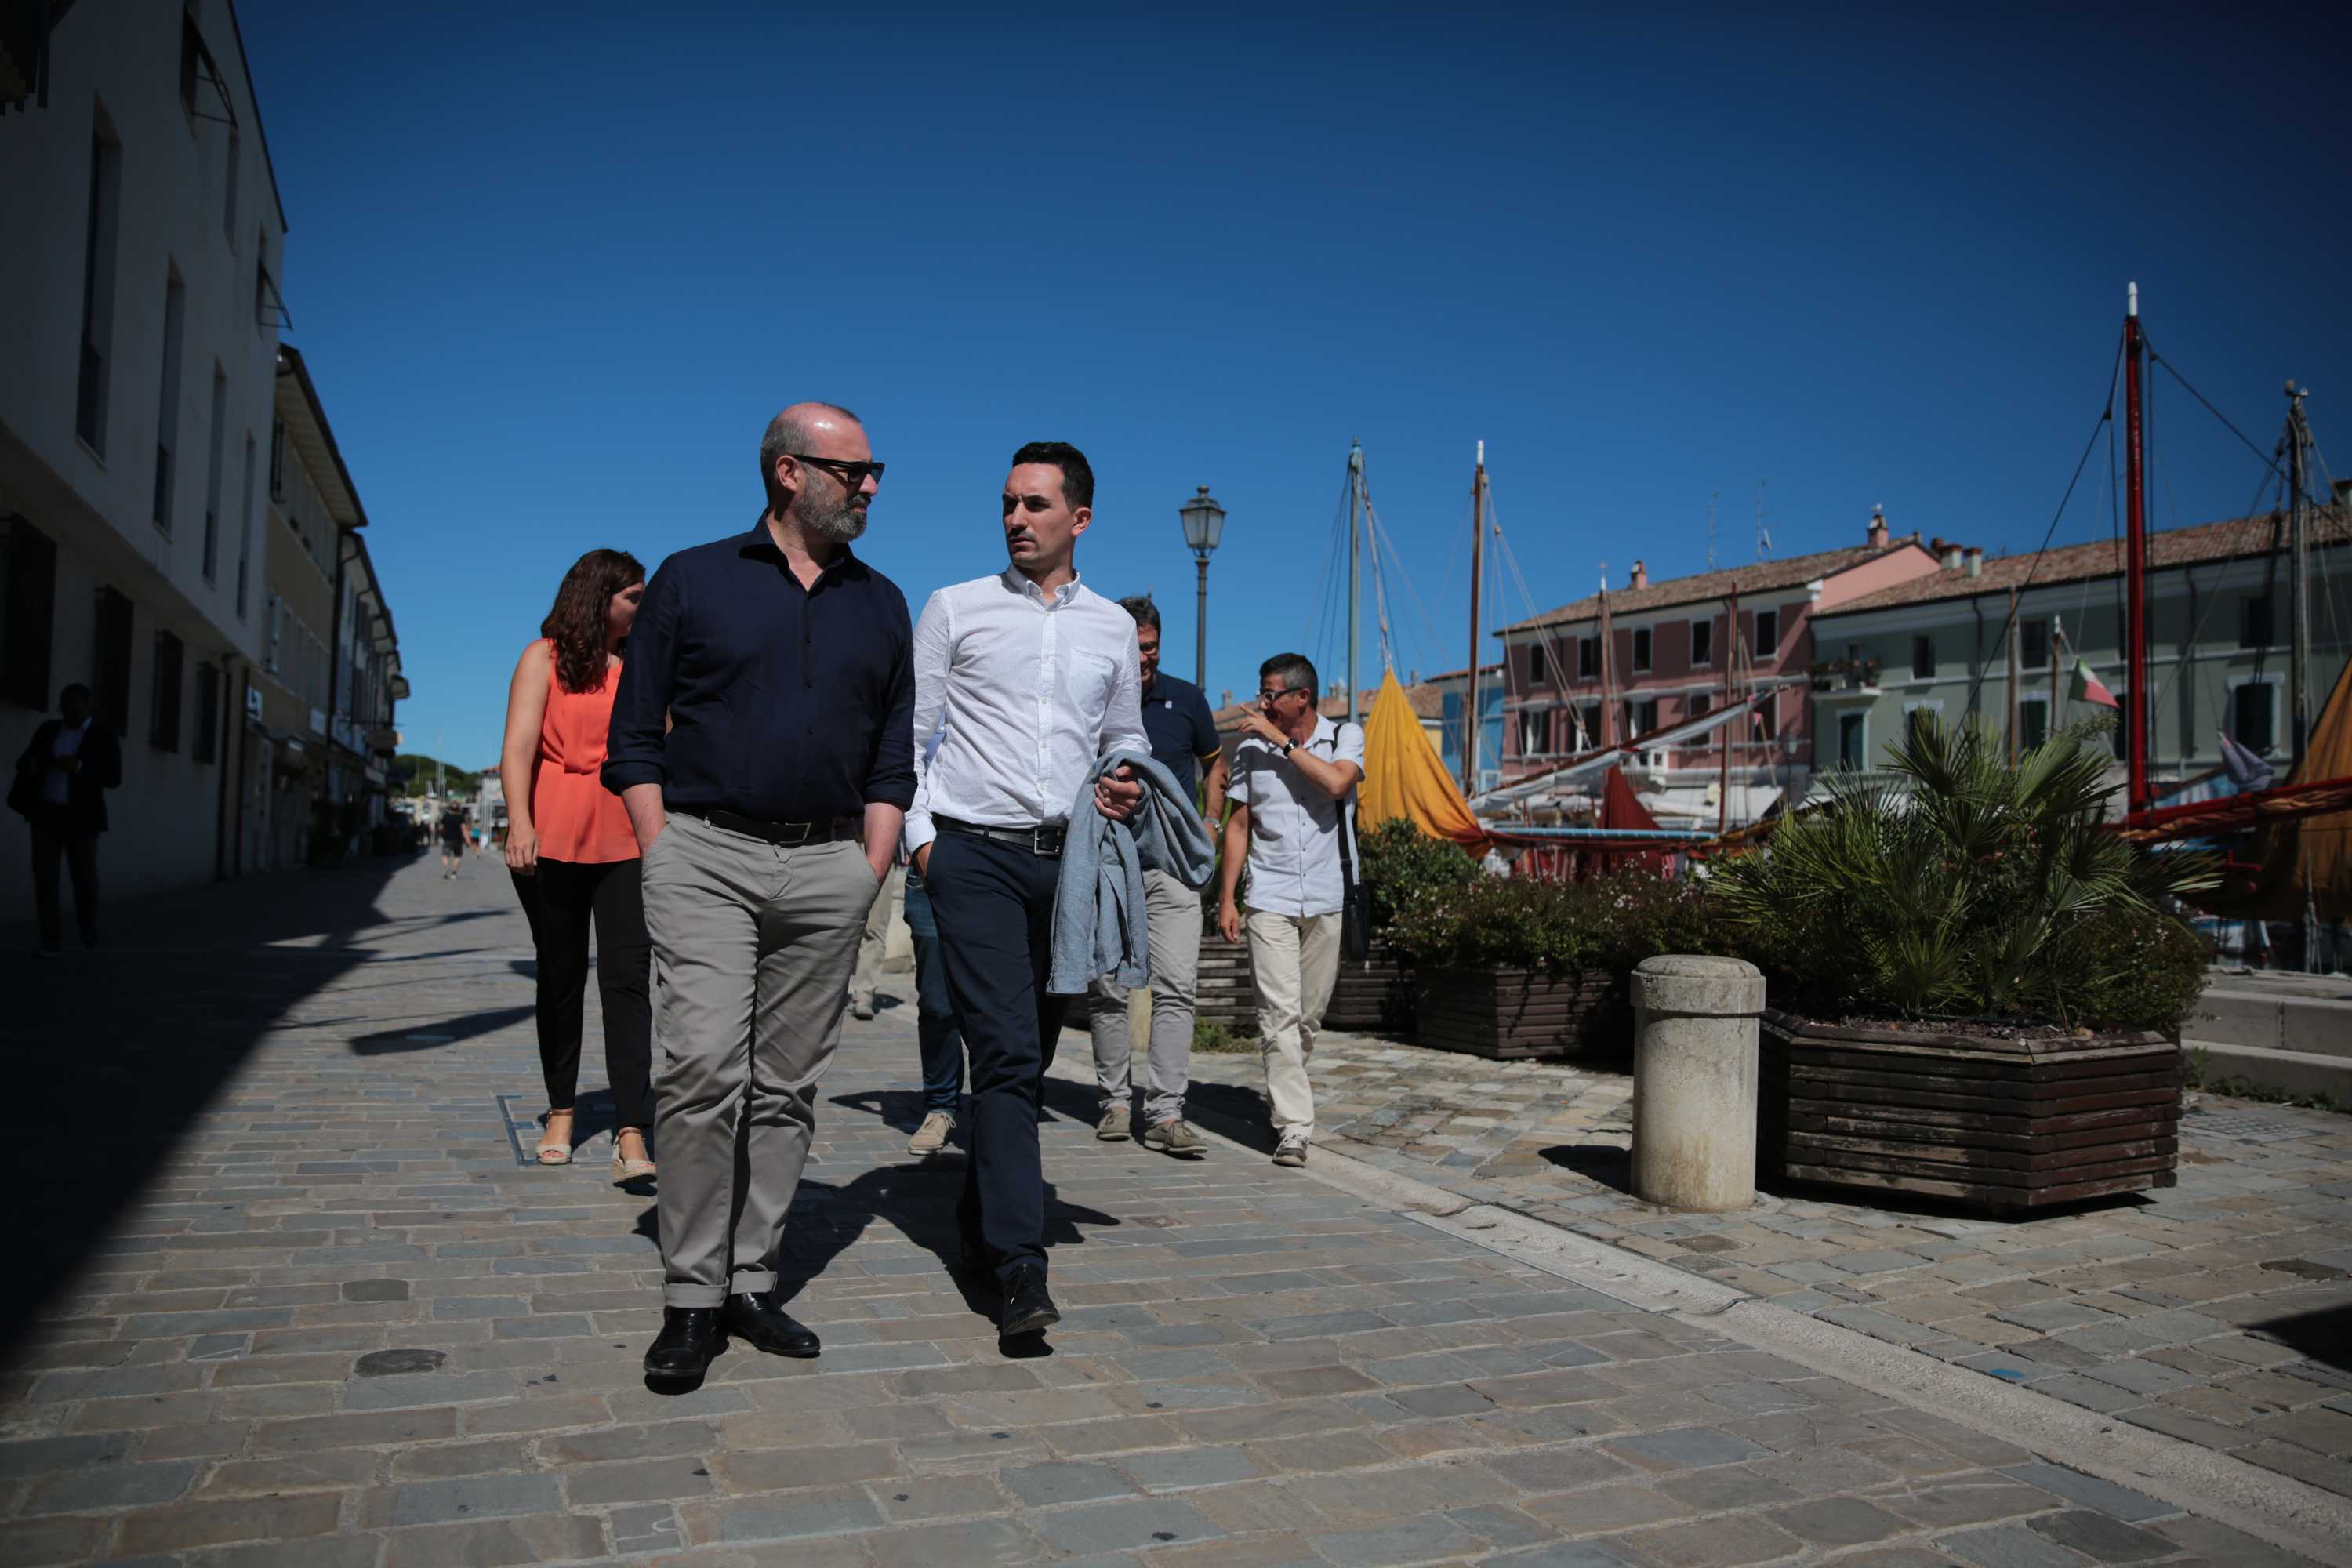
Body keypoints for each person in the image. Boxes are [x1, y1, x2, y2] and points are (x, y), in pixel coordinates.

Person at [605, 401, 913, 1388]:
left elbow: (894, 742)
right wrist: (662, 844)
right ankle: (690, 1295)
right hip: (705, 854)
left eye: (874, 472)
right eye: (853, 470)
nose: (869, 486)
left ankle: (750, 1278)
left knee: (785, 1088)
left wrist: (872, 852)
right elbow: (634, 734)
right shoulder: (693, 577)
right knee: (699, 1069)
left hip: (831, 869)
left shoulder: (881, 600)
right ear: (789, 471)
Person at [907, 441, 1145, 1338]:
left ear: (1078, 519)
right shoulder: (955, 608)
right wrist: (925, 845)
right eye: (1008, 502)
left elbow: (1123, 736)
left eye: (1036, 505)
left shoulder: (1112, 626)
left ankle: (977, 1222)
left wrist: (1124, 778)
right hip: (972, 855)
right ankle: (1019, 1264)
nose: (1016, 518)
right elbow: (913, 735)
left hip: (1071, 865)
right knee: (1006, 1055)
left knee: (1030, 1054)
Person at [499, 548, 656, 1181]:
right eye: (634, 599)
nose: (642, 609)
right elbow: (516, 748)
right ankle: (561, 1109)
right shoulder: (543, 657)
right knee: (560, 978)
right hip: (552, 832)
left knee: (628, 984)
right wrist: (520, 822)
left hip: (625, 837)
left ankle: (631, 1128)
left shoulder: (643, 664)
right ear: (601, 598)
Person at [1087, 596, 1225, 1158]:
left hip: (1171, 869)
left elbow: (1215, 763)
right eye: (1133, 648)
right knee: (1107, 987)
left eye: (1150, 648)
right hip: (1109, 864)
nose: (1142, 659)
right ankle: (1114, 1103)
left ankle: (1166, 1112)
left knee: (1177, 987)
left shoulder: (1187, 699)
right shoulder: (1092, 698)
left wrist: (1211, 824)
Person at [1216, 653, 1364, 1169]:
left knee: (1306, 1020)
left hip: (1326, 896)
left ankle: (1287, 1093)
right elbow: (1239, 825)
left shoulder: (1345, 737)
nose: (1261, 704)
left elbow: (1337, 784)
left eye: (1271, 694)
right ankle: (1295, 1129)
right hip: (1269, 897)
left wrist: (1282, 744)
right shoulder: (1250, 750)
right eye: (1262, 694)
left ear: (1301, 697)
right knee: (1277, 1016)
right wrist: (1228, 895)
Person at [8, 683, 122, 954]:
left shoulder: (103, 735)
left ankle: (88, 931)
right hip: (47, 813)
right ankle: (50, 936)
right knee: (45, 877)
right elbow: (23, 761)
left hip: (82, 818)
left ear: (88, 706)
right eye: (65, 706)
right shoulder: (48, 731)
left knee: (83, 878)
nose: (70, 711)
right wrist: (35, 766)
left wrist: (80, 768)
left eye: (75, 706)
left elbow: (114, 777)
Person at [903, 726, 967, 1158]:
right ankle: (942, 1104)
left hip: (1000, 849)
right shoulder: (919, 683)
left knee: (1002, 998)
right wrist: (920, 842)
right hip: (935, 852)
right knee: (937, 1000)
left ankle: (999, 1104)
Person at [848, 855, 905, 1020]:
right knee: (837, 925)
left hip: (884, 848)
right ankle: (827, 993)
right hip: (844, 845)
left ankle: (864, 997)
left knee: (875, 928)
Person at [437, 809, 467, 877]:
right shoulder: (460, 817)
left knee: (445, 855)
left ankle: (446, 866)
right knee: (457, 856)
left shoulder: (446, 816)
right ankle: (454, 872)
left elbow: (441, 828)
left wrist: (442, 833)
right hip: (458, 840)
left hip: (447, 839)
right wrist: (467, 840)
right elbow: (463, 828)